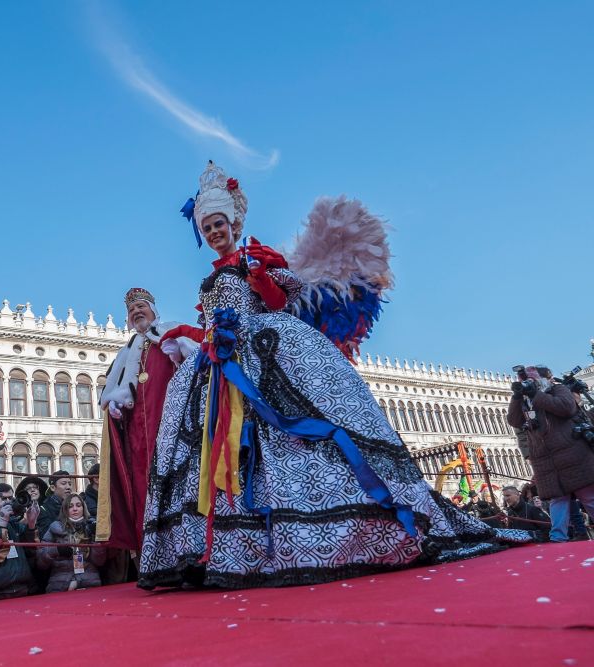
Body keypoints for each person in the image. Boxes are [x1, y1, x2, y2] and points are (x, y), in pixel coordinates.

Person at [139, 161, 531, 591]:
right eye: (207, 227)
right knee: (217, 450)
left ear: (232, 223)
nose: (214, 232)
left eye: (219, 224)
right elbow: (212, 321)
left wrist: (258, 277)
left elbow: (277, 302)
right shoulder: (209, 279)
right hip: (217, 365)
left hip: (263, 351)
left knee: (282, 431)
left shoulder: (256, 257)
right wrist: (185, 331)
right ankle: (229, 549)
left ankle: (319, 534)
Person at [96, 287, 198, 551]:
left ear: (154, 310)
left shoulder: (173, 333)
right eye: (131, 310)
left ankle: (185, 551)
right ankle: (151, 555)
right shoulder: (124, 354)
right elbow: (115, 389)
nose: (136, 312)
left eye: (141, 307)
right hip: (138, 439)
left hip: (173, 428)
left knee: (177, 486)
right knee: (143, 489)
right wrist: (116, 405)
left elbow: (199, 362)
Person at [507, 365, 594, 543]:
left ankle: (560, 537)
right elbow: (514, 420)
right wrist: (517, 396)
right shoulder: (524, 401)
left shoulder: (557, 389)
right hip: (546, 461)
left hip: (572, 453)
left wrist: (536, 395)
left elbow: (566, 407)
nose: (528, 384)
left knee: (588, 496)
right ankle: (558, 539)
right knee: (557, 501)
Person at [38, 493, 106, 592]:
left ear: (83, 508)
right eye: (70, 506)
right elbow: (40, 563)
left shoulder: (92, 526)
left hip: (89, 582)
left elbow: (100, 561)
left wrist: (96, 538)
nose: (75, 509)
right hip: (60, 584)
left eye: (78, 505)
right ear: (65, 510)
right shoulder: (54, 528)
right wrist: (56, 550)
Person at [38, 471, 73, 539]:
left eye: (70, 484)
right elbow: (46, 536)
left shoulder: (75, 506)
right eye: (63, 483)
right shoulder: (43, 509)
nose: (68, 487)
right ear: (53, 488)